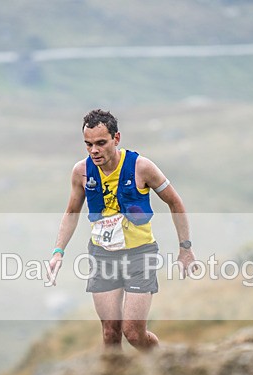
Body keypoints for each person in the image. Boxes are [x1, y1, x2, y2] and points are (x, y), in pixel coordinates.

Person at [47, 109, 195, 352]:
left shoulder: (141, 167)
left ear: (116, 138)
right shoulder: (81, 172)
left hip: (140, 255)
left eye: (101, 143)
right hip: (102, 256)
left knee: (134, 333)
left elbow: (175, 203)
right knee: (110, 333)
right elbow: (71, 212)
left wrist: (185, 249)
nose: (94, 150)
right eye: (88, 144)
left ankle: (162, 364)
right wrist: (58, 252)